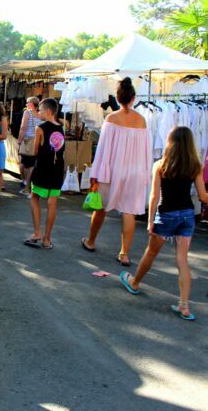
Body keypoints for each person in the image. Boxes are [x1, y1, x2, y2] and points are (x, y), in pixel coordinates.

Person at [119, 127, 208, 321]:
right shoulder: (195, 166)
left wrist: (150, 220)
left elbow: (154, 195)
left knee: (151, 252)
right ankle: (184, 305)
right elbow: (202, 196)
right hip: (186, 215)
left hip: (166, 214)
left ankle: (135, 283)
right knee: (182, 260)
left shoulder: (160, 165)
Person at [81, 77, 151, 266]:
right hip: (135, 171)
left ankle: (91, 241)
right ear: (133, 97)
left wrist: (95, 174)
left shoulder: (111, 119)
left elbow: (102, 150)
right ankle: (124, 253)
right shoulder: (142, 121)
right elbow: (147, 151)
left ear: (118, 98)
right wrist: (145, 173)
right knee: (129, 212)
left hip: (111, 170)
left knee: (101, 207)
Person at [24, 98, 65, 250]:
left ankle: (37, 233)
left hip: (42, 168)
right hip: (57, 169)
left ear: (48, 112)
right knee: (52, 203)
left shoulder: (40, 128)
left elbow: (35, 151)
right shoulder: (61, 128)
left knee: (35, 197)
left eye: (40, 110)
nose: (38, 113)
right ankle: (47, 239)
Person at [18, 97, 41, 196]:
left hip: (28, 141)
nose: (26, 104)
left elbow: (23, 127)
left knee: (25, 164)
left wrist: (19, 140)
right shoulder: (41, 114)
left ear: (32, 104)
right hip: (38, 142)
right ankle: (26, 183)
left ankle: (26, 185)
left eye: (27, 103)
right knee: (29, 164)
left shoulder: (27, 113)